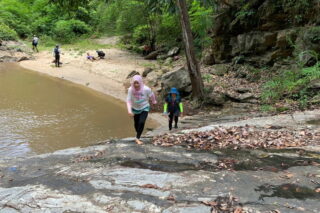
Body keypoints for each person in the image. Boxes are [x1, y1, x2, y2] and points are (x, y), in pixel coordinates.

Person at [127, 75, 157, 145]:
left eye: (137, 83)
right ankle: (138, 134)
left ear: (140, 82)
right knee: (136, 124)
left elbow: (151, 95)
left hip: (144, 107)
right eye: (134, 83)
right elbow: (128, 100)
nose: (136, 85)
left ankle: (137, 138)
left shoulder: (146, 89)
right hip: (135, 108)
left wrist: (154, 101)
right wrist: (129, 111)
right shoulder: (130, 89)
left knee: (141, 122)